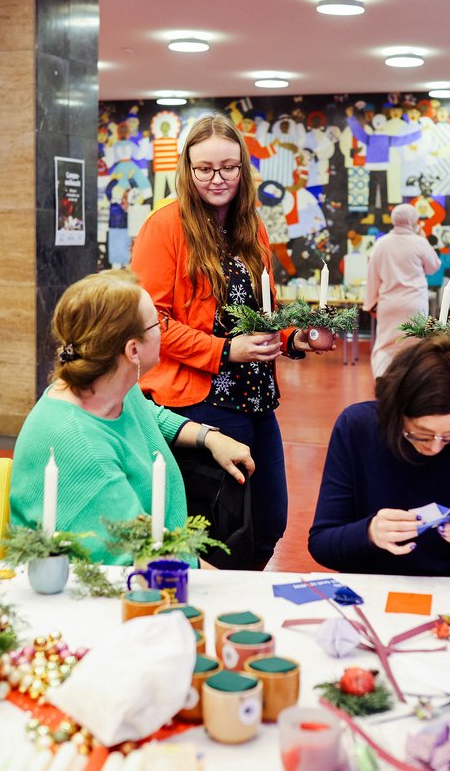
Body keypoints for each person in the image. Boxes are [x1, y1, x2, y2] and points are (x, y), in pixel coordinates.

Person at [131, 113, 321, 569]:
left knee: (271, 520)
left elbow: (264, 310)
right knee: (226, 528)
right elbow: (150, 320)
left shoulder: (249, 225)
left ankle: (243, 598)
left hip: (256, 397)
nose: (218, 179)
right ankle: (225, 615)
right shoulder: (165, 227)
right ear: (187, 169)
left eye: (229, 167)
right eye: (205, 169)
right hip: (201, 400)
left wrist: (298, 339)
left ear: (243, 169)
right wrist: (223, 350)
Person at [9, 269, 254, 565]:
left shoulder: (108, 388)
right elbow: (141, 556)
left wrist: (208, 437)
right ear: (133, 349)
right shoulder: (82, 447)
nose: (164, 329)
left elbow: (146, 414)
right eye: (157, 323)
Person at [309, 334, 450, 576]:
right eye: (421, 434)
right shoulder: (359, 426)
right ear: (397, 412)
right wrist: (369, 532)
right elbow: (322, 543)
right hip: (374, 586)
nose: (435, 448)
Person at [363, 203, 443, 378]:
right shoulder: (420, 242)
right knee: (414, 345)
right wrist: (421, 236)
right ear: (414, 221)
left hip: (388, 304)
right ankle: (411, 383)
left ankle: (382, 381)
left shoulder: (381, 243)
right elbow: (434, 267)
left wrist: (370, 303)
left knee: (384, 345)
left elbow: (372, 275)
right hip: (414, 304)